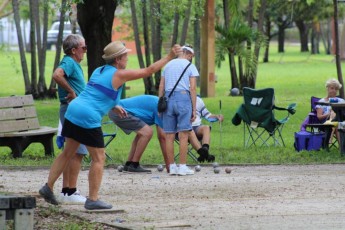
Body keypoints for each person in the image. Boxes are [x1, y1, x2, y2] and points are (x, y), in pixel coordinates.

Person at [39, 41, 181, 210]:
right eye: (126, 56)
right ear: (118, 59)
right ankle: (92, 199)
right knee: (99, 158)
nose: (127, 59)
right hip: (87, 116)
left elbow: (96, 93)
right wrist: (169, 57)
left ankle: (47, 187)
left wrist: (114, 105)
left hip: (73, 110)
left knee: (68, 153)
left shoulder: (98, 71)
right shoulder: (118, 75)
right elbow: (148, 71)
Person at [52, 34, 88, 204]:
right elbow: (57, 75)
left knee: (70, 151)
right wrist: (72, 92)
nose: (85, 51)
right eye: (84, 48)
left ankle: (66, 191)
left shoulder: (72, 63)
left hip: (72, 110)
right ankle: (72, 191)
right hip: (73, 111)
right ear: (74, 50)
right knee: (77, 152)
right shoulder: (68, 62)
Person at [159, 45, 198, 176]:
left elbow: (161, 85)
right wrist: (194, 108)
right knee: (183, 134)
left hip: (168, 99)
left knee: (169, 135)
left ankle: (172, 167)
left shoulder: (168, 65)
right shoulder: (189, 66)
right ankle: (182, 167)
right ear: (189, 55)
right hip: (183, 98)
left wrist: (160, 103)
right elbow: (192, 88)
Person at [108, 95, 169, 173]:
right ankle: (134, 165)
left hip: (115, 110)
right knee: (147, 132)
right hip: (119, 111)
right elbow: (162, 138)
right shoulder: (162, 109)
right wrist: (169, 165)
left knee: (141, 134)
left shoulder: (161, 103)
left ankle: (129, 164)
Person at [188, 96, 224, 162]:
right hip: (183, 129)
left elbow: (207, 115)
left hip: (197, 126)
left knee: (206, 128)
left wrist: (217, 116)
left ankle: (205, 150)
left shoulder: (198, 100)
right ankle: (206, 155)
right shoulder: (180, 100)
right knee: (190, 131)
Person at [315, 78, 345, 143]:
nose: (334, 91)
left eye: (336, 89)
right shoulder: (321, 102)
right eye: (332, 88)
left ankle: (331, 139)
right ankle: (342, 149)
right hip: (326, 123)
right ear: (327, 88)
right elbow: (319, 117)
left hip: (340, 122)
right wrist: (328, 114)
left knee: (338, 123)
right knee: (338, 124)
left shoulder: (341, 101)